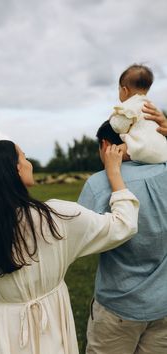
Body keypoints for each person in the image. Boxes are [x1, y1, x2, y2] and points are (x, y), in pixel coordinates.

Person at [0, 140, 139, 354]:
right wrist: (114, 174)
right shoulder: (56, 217)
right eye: (24, 157)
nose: (29, 163)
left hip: (3, 328)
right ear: (16, 168)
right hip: (52, 317)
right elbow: (122, 225)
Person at [78, 107, 167, 354]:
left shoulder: (97, 184)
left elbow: (78, 239)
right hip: (164, 304)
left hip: (117, 305)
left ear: (105, 145)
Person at [109, 64, 167, 163]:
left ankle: (115, 174)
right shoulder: (153, 107)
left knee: (111, 154)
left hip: (141, 147)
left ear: (125, 90)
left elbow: (119, 127)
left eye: (118, 89)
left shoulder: (129, 106)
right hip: (162, 152)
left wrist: (113, 118)